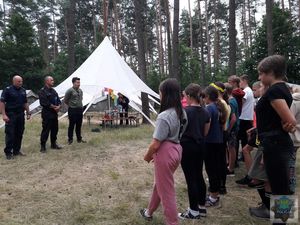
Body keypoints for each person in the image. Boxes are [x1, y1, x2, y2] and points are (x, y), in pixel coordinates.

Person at [140, 78, 187, 225]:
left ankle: (172, 222)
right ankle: (149, 212)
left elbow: (155, 144)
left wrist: (147, 157)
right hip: (177, 150)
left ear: (165, 94)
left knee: (166, 192)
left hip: (166, 152)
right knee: (160, 184)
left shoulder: (165, 115)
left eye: (160, 92)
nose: (159, 95)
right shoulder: (182, 113)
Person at [256, 55, 296, 224]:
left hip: (276, 144)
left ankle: (281, 221)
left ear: (271, 72)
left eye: (261, 74)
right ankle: (281, 221)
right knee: (280, 186)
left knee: (280, 188)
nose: (259, 78)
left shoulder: (275, 91)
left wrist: (289, 125)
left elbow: (291, 120)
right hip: (274, 143)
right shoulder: (280, 88)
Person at [178, 83, 210, 220]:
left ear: (189, 96)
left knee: (191, 178)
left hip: (187, 146)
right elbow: (206, 132)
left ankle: (193, 211)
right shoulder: (205, 111)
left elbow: (179, 131)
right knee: (199, 175)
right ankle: (202, 207)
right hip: (201, 145)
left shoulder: (185, 112)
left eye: (185, 95)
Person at [203, 85, 227, 207]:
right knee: (215, 169)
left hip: (210, 142)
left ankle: (213, 198)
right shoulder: (218, 107)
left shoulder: (209, 109)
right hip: (218, 141)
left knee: (211, 170)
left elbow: (205, 128)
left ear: (207, 97)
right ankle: (215, 194)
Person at [0, 75, 31, 159]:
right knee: (10, 133)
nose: (21, 83)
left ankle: (16, 151)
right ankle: (8, 153)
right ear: (14, 81)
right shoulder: (8, 90)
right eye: (19, 81)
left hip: (20, 114)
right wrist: (3, 114)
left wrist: (28, 112)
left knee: (19, 133)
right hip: (11, 114)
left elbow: (25, 102)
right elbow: (2, 102)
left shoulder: (23, 90)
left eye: (21, 81)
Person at [39, 76, 62, 152]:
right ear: (47, 81)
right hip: (47, 114)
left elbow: (58, 100)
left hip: (54, 114)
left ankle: (53, 144)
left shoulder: (54, 91)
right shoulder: (42, 91)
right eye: (51, 80)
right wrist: (54, 107)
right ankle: (43, 146)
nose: (53, 81)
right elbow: (44, 102)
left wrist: (59, 106)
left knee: (55, 129)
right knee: (46, 130)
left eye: (53, 80)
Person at [64, 77, 86, 144]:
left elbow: (81, 99)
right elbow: (65, 100)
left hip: (79, 109)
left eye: (79, 82)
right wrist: (71, 106)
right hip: (72, 110)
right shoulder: (70, 90)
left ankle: (79, 139)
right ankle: (70, 139)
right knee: (71, 125)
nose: (79, 84)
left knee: (79, 125)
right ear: (73, 83)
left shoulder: (80, 90)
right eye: (77, 82)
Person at [225, 83, 239, 176]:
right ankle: (229, 165)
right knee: (230, 147)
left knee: (231, 147)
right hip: (233, 128)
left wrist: (228, 129)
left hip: (232, 129)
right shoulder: (232, 99)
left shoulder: (230, 101)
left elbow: (233, 118)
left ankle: (231, 168)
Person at [238, 74, 254, 149]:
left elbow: (241, 102)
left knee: (243, 137)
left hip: (244, 117)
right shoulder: (249, 90)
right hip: (247, 117)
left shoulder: (246, 91)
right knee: (245, 137)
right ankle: (245, 155)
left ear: (244, 81)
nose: (239, 83)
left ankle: (244, 155)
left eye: (240, 81)